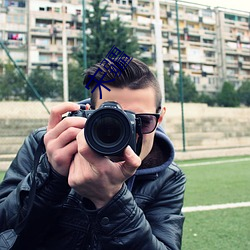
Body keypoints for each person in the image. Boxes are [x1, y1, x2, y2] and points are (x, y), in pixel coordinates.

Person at [0, 58, 186, 250]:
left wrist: (111, 199)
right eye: (111, 120)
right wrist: (51, 176)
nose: (127, 133)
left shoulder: (168, 177)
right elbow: (4, 228)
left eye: (143, 121)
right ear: (89, 112)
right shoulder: (47, 145)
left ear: (160, 118)